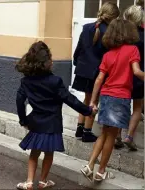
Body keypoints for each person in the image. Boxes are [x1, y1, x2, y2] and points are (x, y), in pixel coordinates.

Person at [15, 41, 97, 189]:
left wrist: (23, 120)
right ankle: (43, 181)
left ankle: (28, 182)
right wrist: (88, 111)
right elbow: (70, 99)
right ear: (47, 62)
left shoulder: (26, 81)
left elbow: (19, 101)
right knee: (48, 153)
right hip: (53, 123)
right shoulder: (55, 81)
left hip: (36, 122)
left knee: (34, 153)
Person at [81, 19, 144, 182]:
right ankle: (101, 171)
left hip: (106, 96)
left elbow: (99, 79)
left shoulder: (108, 54)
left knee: (104, 133)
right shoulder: (132, 50)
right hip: (121, 97)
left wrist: (93, 101)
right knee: (111, 136)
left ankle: (89, 165)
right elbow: (136, 71)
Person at [72, 2, 120, 142]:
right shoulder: (109, 33)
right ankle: (87, 131)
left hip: (83, 69)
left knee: (86, 99)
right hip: (97, 72)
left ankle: (79, 127)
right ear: (112, 17)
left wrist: (76, 63)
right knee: (93, 101)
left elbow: (79, 48)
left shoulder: (86, 27)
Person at [115, 5, 144, 151]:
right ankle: (129, 137)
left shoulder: (122, 35)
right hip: (139, 75)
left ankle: (118, 136)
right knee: (137, 107)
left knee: (122, 106)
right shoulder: (143, 35)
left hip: (123, 75)